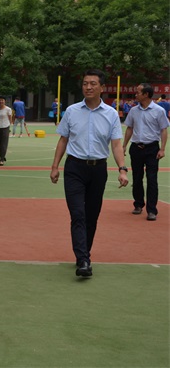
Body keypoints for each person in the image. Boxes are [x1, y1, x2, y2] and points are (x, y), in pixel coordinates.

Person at [50, 69, 128, 278]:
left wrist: (122, 169)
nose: (88, 87)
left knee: (92, 216)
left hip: (98, 170)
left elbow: (116, 144)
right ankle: (83, 259)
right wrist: (55, 166)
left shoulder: (111, 114)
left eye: (93, 83)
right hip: (74, 168)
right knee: (78, 214)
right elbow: (63, 139)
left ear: (102, 87)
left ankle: (84, 254)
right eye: (85, 83)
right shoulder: (72, 111)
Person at [122, 83, 168, 221]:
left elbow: (163, 130)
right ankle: (138, 204)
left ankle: (152, 210)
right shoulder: (133, 110)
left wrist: (162, 149)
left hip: (152, 148)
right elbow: (129, 128)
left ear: (146, 94)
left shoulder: (159, 111)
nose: (135, 94)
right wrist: (124, 145)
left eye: (138, 92)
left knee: (152, 179)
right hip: (136, 148)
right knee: (137, 178)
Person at [0, 96, 12, 165]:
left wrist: (9, 127)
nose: (1, 101)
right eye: (0, 100)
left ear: (5, 101)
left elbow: (10, 118)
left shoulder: (8, 109)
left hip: (5, 127)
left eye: (2, 100)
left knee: (3, 144)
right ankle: (2, 156)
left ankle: (1, 160)